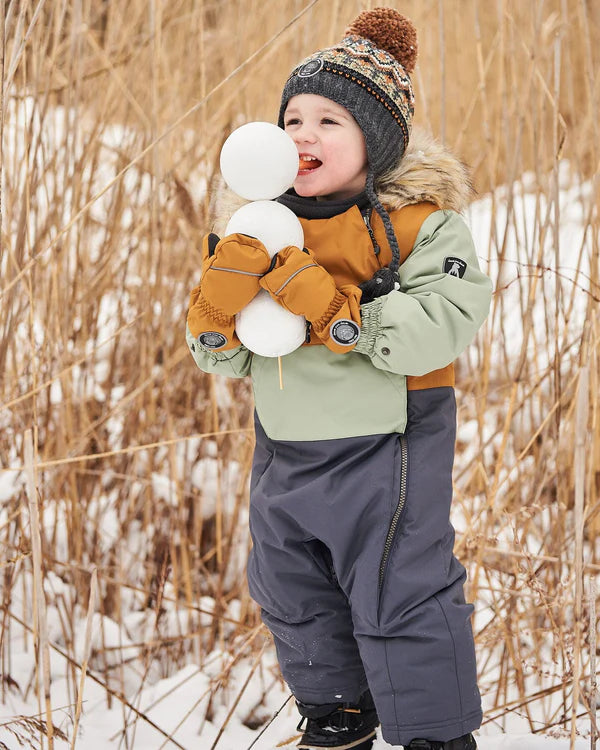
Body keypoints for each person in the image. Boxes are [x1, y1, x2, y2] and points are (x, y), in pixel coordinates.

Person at [186, 8, 492, 750]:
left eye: (329, 119)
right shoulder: (258, 229)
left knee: (400, 591)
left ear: (377, 140)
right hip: (286, 450)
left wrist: (332, 306)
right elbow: (228, 356)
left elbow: (444, 322)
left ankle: (433, 734)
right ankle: (337, 709)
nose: (302, 134)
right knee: (290, 588)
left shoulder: (421, 225)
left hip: (390, 448)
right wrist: (216, 312)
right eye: (291, 117)